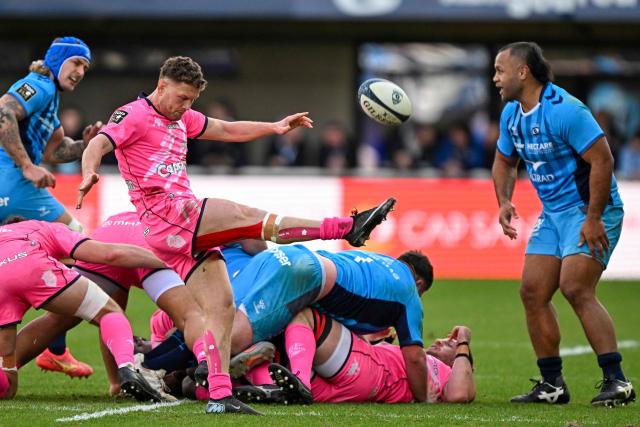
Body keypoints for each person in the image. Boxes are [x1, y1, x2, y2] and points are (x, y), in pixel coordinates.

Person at [76, 55, 395, 415]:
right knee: (251, 218)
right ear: (161, 85)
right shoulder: (133, 114)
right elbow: (97, 145)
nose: (186, 107)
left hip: (176, 230)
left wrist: (274, 128)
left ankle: (219, 395)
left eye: (192, 101)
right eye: (182, 98)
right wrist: (89, 173)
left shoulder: (182, 117)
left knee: (222, 309)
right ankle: (346, 228)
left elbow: (227, 130)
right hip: (170, 214)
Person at [491, 41, 634, 407]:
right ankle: (551, 385)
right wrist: (505, 200)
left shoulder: (566, 110)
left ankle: (617, 381)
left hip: (591, 210)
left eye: (500, 71)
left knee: (575, 286)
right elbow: (505, 161)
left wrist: (594, 217)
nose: (495, 79)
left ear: (523, 72)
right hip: (553, 214)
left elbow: (602, 160)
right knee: (532, 291)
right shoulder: (511, 114)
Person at [148, 244, 433, 404]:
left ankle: (160, 361)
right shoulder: (409, 293)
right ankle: (148, 367)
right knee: (230, 341)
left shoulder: (377, 260)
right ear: (419, 282)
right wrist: (423, 400)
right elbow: (415, 358)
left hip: (279, 257)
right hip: (304, 275)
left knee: (216, 321)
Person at [12, 211, 215, 399]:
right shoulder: (177, 225)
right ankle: (208, 364)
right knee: (190, 315)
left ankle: (5, 370)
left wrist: (114, 382)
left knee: (100, 315)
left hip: (106, 237)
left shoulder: (124, 218)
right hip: (146, 247)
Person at [0, 36, 103, 377]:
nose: (80, 72)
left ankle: (53, 349)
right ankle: (54, 348)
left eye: (85, 67)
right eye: (76, 63)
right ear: (57, 61)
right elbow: (3, 111)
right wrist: (27, 167)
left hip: (14, 184)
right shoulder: (38, 85)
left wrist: (87, 144)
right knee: (80, 248)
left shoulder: (50, 98)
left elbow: (55, 152)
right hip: (14, 184)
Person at [0, 216, 166, 402]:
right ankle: (127, 368)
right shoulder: (42, 226)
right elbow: (109, 255)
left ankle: (5, 370)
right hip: (34, 267)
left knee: (8, 385)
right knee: (109, 311)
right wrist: (166, 261)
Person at [240, 308, 475, 405]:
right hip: (352, 389)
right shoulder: (420, 365)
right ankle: (251, 383)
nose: (439, 341)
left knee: (306, 317)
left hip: (370, 371)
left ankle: (289, 379)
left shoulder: (445, 372)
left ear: (460, 363)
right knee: (281, 357)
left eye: (449, 343)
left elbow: (460, 394)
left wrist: (464, 340)